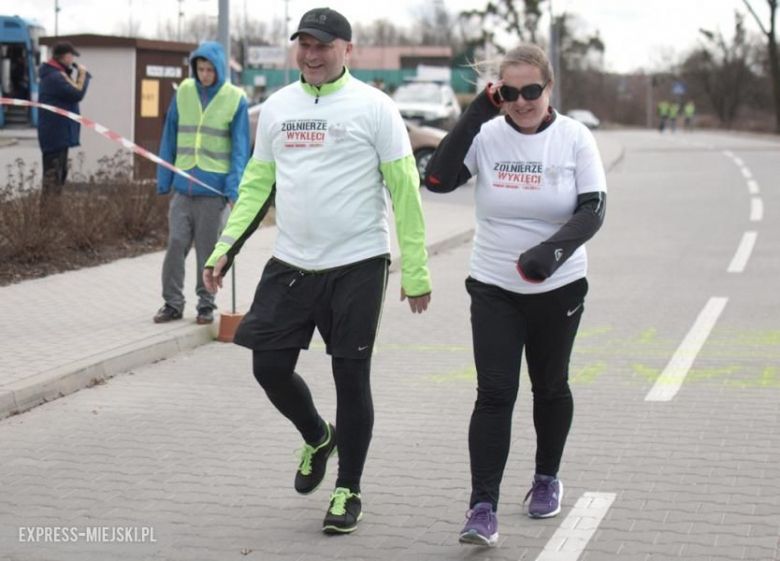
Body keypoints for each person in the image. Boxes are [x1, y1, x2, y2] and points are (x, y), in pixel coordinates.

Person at [202, 7, 432, 535]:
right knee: (268, 367)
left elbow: (405, 194)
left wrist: (414, 271)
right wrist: (224, 249)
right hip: (291, 262)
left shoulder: (376, 108)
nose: (310, 53)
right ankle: (317, 436)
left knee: (350, 376)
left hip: (358, 263)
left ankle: (348, 487)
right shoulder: (279, 108)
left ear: (346, 50)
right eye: (303, 43)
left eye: (322, 44)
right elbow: (258, 184)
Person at [424, 43, 607, 547]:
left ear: (549, 89)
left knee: (549, 386)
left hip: (558, 284)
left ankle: (546, 476)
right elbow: (437, 179)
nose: (522, 101)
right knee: (495, 391)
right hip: (493, 286)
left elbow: (593, 210)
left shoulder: (574, 138)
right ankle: (482, 507)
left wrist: (549, 254)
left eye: (532, 91)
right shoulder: (487, 133)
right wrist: (477, 113)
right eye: (510, 92)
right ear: (497, 92)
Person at [153, 41, 250, 325]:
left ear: (219, 70)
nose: (204, 74)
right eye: (200, 68)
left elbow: (240, 149)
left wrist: (233, 189)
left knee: (208, 252)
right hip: (182, 187)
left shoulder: (235, 98)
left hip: (213, 191)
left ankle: (205, 305)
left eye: (209, 69)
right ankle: (172, 303)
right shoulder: (183, 92)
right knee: (175, 243)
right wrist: (164, 180)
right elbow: (169, 135)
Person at [36, 41, 91, 215]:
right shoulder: (55, 77)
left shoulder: (56, 74)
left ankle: (52, 214)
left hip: (59, 133)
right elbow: (76, 93)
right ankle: (47, 217)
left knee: (59, 175)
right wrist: (83, 74)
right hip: (55, 134)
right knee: (53, 177)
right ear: (63, 56)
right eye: (71, 55)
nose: (72, 59)